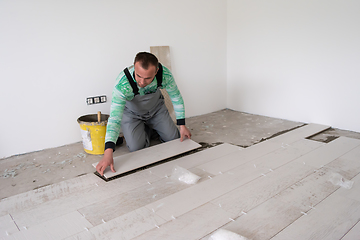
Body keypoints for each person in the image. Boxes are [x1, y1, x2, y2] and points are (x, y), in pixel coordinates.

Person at [96, 52, 191, 176]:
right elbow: (114, 118)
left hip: (156, 109)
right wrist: (108, 153)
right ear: (134, 66)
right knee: (137, 149)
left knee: (174, 139)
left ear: (156, 71)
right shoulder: (122, 84)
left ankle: (150, 129)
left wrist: (182, 125)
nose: (141, 82)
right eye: (138, 76)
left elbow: (176, 97)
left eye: (147, 78)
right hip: (132, 114)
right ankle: (145, 129)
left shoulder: (165, 75)